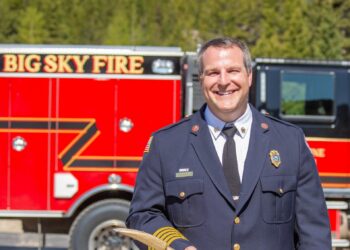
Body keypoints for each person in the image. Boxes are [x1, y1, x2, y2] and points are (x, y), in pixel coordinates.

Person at [126, 37, 331, 250]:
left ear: (249, 76)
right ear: (201, 79)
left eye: (233, 71)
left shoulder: (290, 142)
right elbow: (143, 216)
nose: (223, 81)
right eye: (213, 73)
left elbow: (314, 233)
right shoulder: (166, 145)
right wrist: (178, 246)